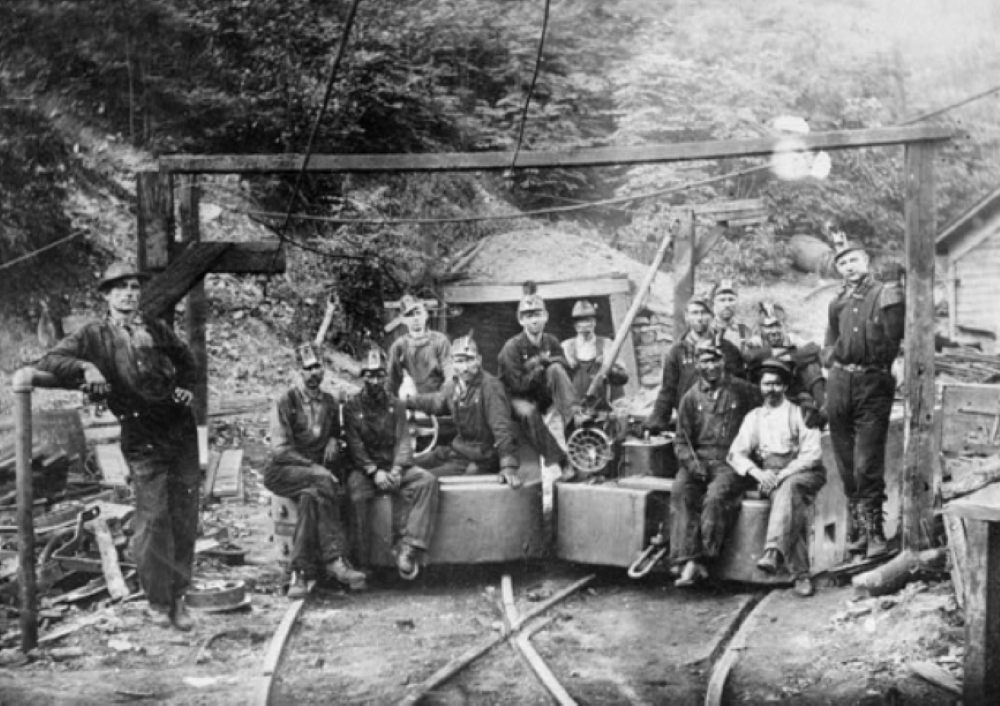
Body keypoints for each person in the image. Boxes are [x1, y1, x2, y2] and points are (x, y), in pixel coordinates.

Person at [36, 261, 200, 630]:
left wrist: (186, 387)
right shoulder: (94, 335)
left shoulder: (155, 328)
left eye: (134, 287)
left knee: (184, 517)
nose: (129, 293)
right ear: (107, 295)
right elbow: (49, 360)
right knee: (154, 518)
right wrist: (86, 369)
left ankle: (178, 599)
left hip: (180, 431)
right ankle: (158, 601)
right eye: (120, 288)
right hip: (142, 436)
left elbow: (187, 361)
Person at [823, 235, 904, 559]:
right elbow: (829, 338)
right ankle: (857, 530)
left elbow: (901, 333)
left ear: (866, 260)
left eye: (853, 260)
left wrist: (895, 361)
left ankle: (875, 533)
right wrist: (831, 361)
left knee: (867, 462)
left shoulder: (886, 294)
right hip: (841, 383)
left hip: (873, 383)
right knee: (844, 462)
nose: (848, 267)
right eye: (842, 263)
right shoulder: (837, 302)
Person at [264, 343, 366, 597]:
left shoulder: (330, 403)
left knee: (311, 497)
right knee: (321, 481)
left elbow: (335, 432)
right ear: (298, 372)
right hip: (284, 471)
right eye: (307, 369)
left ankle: (300, 573)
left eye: (317, 367)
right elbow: (280, 450)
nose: (313, 374)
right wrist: (314, 467)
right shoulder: (285, 401)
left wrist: (333, 438)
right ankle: (335, 560)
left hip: (313, 477)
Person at [727, 359, 826, 597]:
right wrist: (758, 473)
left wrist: (782, 474)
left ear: (784, 387)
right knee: (789, 501)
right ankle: (801, 575)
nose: (770, 390)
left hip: (805, 473)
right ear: (760, 387)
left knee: (789, 489)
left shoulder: (799, 413)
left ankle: (773, 551)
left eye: (776, 384)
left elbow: (812, 455)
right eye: (766, 384)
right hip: (769, 477)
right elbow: (735, 453)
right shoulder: (754, 417)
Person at [669, 338, 762, 587]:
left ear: (724, 362)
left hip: (730, 460)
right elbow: (681, 441)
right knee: (682, 491)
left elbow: (764, 415)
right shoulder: (690, 397)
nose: (710, 366)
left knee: (715, 497)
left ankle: (703, 561)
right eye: (704, 360)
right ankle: (688, 558)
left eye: (715, 359)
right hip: (698, 459)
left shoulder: (743, 391)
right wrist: (692, 464)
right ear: (698, 363)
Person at [343, 348, 440, 580]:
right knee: (355, 494)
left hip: (394, 467)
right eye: (369, 375)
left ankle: (409, 547)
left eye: (378, 375)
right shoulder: (352, 408)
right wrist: (373, 471)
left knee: (427, 481)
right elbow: (355, 446)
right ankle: (362, 561)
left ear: (385, 377)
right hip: (366, 471)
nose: (374, 380)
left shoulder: (396, 405)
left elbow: (404, 440)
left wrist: (397, 469)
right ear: (362, 376)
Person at [407, 334, 525, 487]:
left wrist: (508, 466)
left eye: (469, 360)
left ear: (479, 360)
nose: (465, 367)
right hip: (457, 451)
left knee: (421, 479)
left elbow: (501, 428)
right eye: (459, 361)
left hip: (480, 459)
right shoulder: (453, 386)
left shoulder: (490, 386)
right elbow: (436, 402)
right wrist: (406, 401)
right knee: (406, 464)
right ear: (452, 363)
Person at [497, 284, 577, 475]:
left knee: (556, 369)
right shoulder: (512, 347)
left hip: (542, 395)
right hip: (517, 399)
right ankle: (560, 460)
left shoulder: (551, 341)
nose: (534, 320)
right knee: (528, 412)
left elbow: (564, 367)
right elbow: (517, 386)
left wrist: (544, 363)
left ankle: (575, 423)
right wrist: (539, 366)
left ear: (546, 316)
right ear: (521, 319)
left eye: (537, 314)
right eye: (528, 315)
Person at [643, 297, 744, 433]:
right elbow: (668, 392)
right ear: (687, 317)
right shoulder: (676, 353)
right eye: (695, 313)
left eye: (704, 312)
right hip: (689, 423)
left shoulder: (728, 350)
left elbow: (740, 388)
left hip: (722, 423)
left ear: (712, 316)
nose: (700, 318)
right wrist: (654, 424)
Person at [748, 302, 828, 429]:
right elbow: (749, 356)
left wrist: (791, 357)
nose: (774, 331)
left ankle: (822, 407)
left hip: (791, 384)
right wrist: (773, 352)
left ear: (784, 326)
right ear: (761, 328)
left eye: (777, 325)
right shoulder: (756, 341)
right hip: (765, 386)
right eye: (768, 327)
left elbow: (814, 348)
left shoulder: (791, 339)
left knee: (811, 366)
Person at [561, 300, 629, 408]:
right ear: (575, 325)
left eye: (588, 320)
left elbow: (621, 379)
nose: (584, 325)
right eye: (580, 321)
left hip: (602, 405)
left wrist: (611, 368)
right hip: (575, 407)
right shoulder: (566, 346)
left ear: (594, 322)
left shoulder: (606, 344)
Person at [386, 294, 453, 398]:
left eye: (418, 313)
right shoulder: (399, 346)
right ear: (403, 319)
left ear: (426, 315)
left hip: (437, 399)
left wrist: (447, 390)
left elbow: (449, 371)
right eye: (410, 315)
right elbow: (392, 380)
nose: (415, 318)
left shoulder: (440, 341)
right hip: (411, 401)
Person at [710, 279, 754, 355]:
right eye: (722, 300)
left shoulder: (745, 331)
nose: (727, 304)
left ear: (737, 302)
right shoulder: (707, 329)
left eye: (731, 300)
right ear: (714, 302)